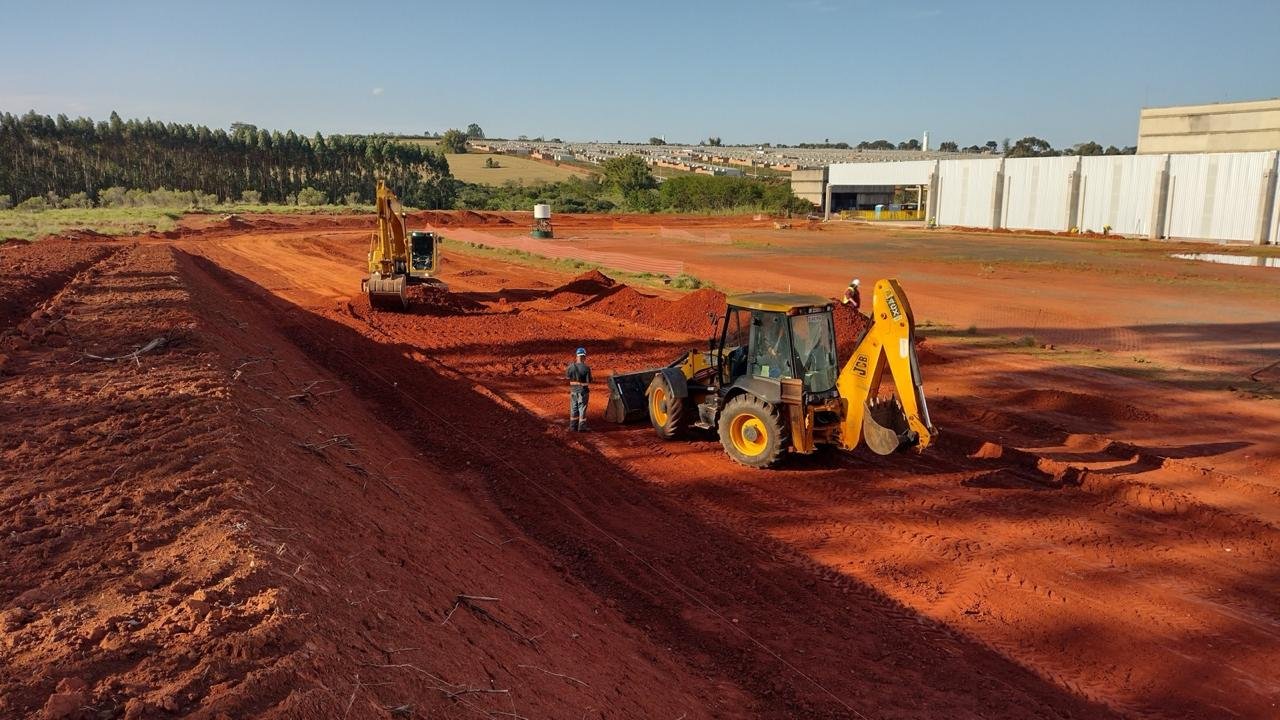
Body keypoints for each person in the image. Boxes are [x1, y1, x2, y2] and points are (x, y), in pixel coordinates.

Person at [565, 347, 592, 432]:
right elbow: (589, 381)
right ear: (584, 357)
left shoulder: (570, 367)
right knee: (582, 409)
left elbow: (567, 377)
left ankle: (573, 427)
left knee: (574, 408)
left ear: (576, 356)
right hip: (583, 392)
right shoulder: (586, 368)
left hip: (573, 391)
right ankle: (582, 427)